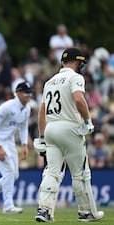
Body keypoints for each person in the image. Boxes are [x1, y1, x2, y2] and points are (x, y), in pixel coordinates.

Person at [34, 48, 104, 222]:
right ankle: (86, 212)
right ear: (76, 62)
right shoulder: (76, 77)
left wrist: (42, 137)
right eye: (81, 63)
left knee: (52, 172)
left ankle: (44, 210)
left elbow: (42, 112)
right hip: (69, 128)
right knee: (80, 173)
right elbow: (79, 99)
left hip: (50, 129)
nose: (82, 66)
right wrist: (88, 121)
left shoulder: (49, 81)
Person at [0, 81, 31, 214]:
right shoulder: (7, 107)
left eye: (30, 94)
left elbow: (23, 127)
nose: (28, 97)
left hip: (9, 142)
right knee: (9, 172)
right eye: (26, 94)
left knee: (14, 175)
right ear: (18, 93)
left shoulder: (27, 108)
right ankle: (8, 206)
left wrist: (25, 144)